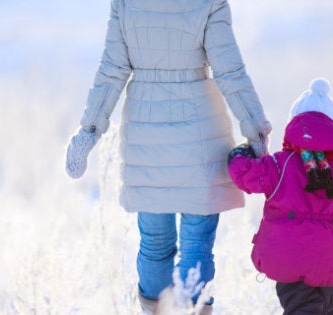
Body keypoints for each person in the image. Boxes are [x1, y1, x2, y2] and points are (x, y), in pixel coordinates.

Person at [65, 0, 272, 313]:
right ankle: (194, 309)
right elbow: (230, 71)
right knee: (197, 244)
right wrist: (255, 130)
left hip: (146, 138)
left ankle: (156, 311)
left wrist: (89, 131)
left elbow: (112, 71)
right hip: (201, 133)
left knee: (155, 244)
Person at [227, 78, 333, 314]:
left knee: (302, 308)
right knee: (328, 306)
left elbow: (244, 173)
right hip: (332, 261)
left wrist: (239, 153)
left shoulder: (278, 166)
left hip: (290, 258)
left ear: (294, 125)